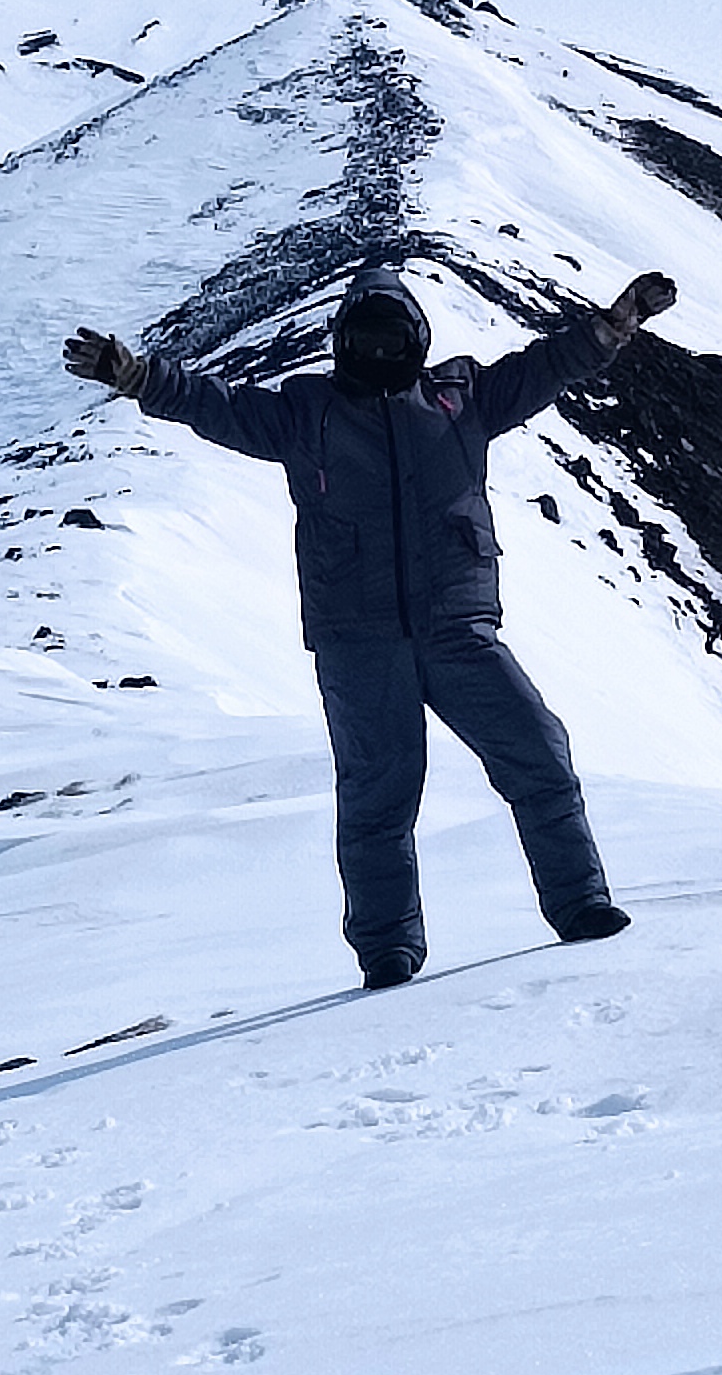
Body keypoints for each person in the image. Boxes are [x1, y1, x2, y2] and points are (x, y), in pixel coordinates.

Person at [63, 257, 678, 990]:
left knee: (539, 755)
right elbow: (215, 404)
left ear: (418, 337)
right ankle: (388, 950)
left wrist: (613, 326)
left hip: (458, 629)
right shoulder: (305, 412)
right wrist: (137, 377)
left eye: (395, 338)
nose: (382, 352)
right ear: (341, 341)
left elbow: (547, 367)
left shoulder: (463, 399)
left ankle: (581, 907)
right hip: (358, 641)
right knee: (378, 796)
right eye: (368, 338)